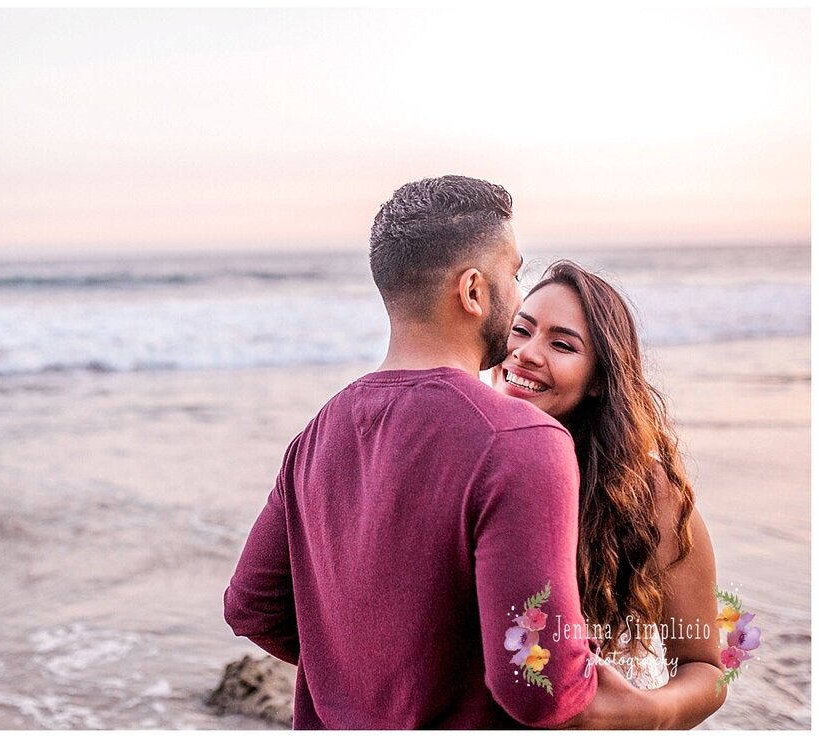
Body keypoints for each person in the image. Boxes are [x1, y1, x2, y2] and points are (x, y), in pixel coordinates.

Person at [223, 175, 664, 729]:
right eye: (515, 271)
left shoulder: (317, 434)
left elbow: (250, 607)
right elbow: (540, 685)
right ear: (474, 290)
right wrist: (645, 708)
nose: (517, 288)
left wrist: (366, 674)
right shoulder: (521, 440)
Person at [491, 260, 726, 724]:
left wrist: (647, 713)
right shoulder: (461, 460)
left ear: (599, 379)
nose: (526, 353)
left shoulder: (647, 493)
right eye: (520, 330)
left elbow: (705, 666)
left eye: (561, 344)